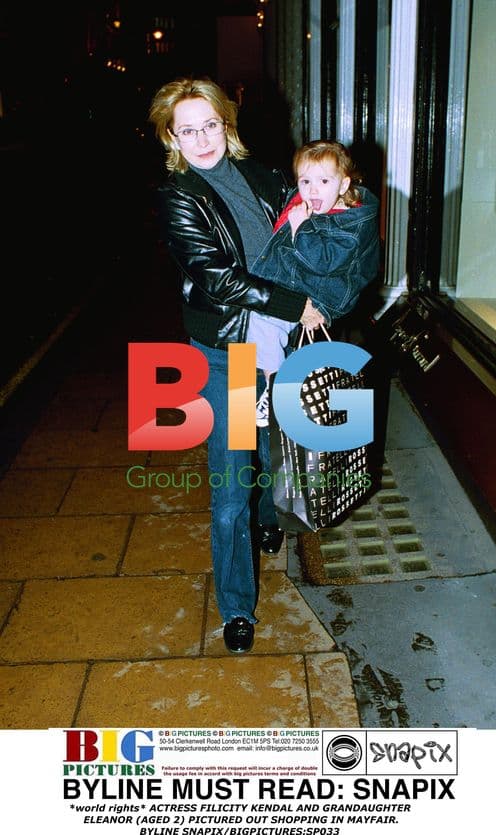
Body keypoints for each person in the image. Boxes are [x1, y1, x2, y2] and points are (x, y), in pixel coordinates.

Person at [149, 78, 345, 655]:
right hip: (230, 351)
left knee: (273, 447)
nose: (202, 138)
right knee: (231, 480)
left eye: (210, 124)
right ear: (172, 137)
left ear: (226, 123)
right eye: (188, 129)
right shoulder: (177, 195)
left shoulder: (265, 176)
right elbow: (218, 279)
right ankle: (237, 606)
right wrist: (299, 303)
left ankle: (268, 513)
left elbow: (310, 235)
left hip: (285, 341)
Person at [246, 140, 380, 426]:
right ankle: (276, 387)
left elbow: (326, 261)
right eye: (305, 180)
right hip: (283, 289)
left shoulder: (346, 222)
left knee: (265, 323)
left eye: (323, 181)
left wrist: (301, 228)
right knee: (262, 326)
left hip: (311, 294)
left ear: (343, 185)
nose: (312, 189)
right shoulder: (305, 202)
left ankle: (277, 389)